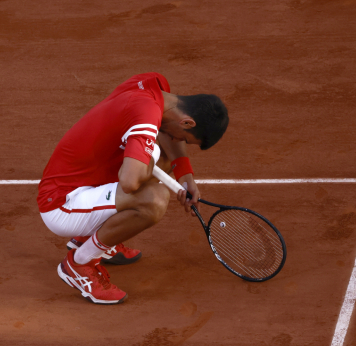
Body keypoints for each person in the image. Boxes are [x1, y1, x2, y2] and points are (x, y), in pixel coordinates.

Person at [37, 72, 228, 304]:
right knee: (153, 199)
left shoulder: (153, 86)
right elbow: (129, 182)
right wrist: (151, 156)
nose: (180, 142)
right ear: (187, 122)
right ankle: (80, 263)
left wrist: (185, 176)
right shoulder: (146, 116)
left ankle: (92, 235)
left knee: (159, 152)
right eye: (185, 139)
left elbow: (164, 134)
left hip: (86, 179)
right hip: (62, 203)